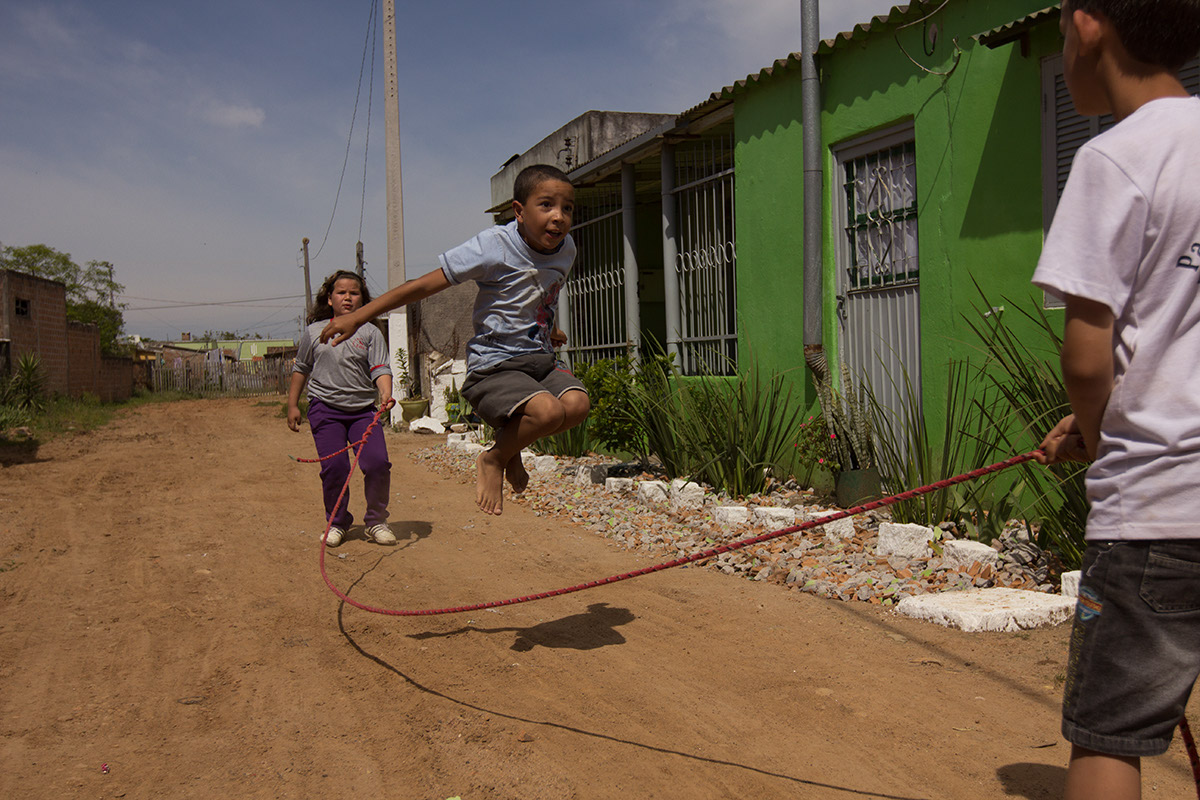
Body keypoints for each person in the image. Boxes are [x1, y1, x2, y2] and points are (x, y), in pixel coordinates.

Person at [1032, 1, 1200, 797]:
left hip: (1157, 510)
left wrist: (1099, 434)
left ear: (1090, 24)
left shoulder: (1115, 158)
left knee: (1111, 736)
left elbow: (1088, 360)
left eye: (1061, 32)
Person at [320, 164, 590, 516]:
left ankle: (509, 450)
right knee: (547, 410)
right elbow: (422, 286)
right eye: (546, 205)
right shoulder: (494, 247)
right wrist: (361, 314)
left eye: (567, 208)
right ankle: (494, 459)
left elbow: (539, 294)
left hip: (538, 361)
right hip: (495, 367)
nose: (559, 217)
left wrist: (549, 328)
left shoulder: (566, 249)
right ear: (519, 212)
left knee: (577, 406)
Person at [288, 270, 397, 547]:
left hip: (363, 411)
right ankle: (337, 522)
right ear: (329, 298)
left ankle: (375, 521)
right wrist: (292, 405)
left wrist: (385, 394)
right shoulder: (314, 332)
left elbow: (380, 368)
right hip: (325, 410)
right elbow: (301, 368)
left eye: (354, 292)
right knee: (335, 467)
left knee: (377, 464)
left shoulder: (371, 332)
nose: (347, 297)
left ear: (363, 298)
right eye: (341, 292)